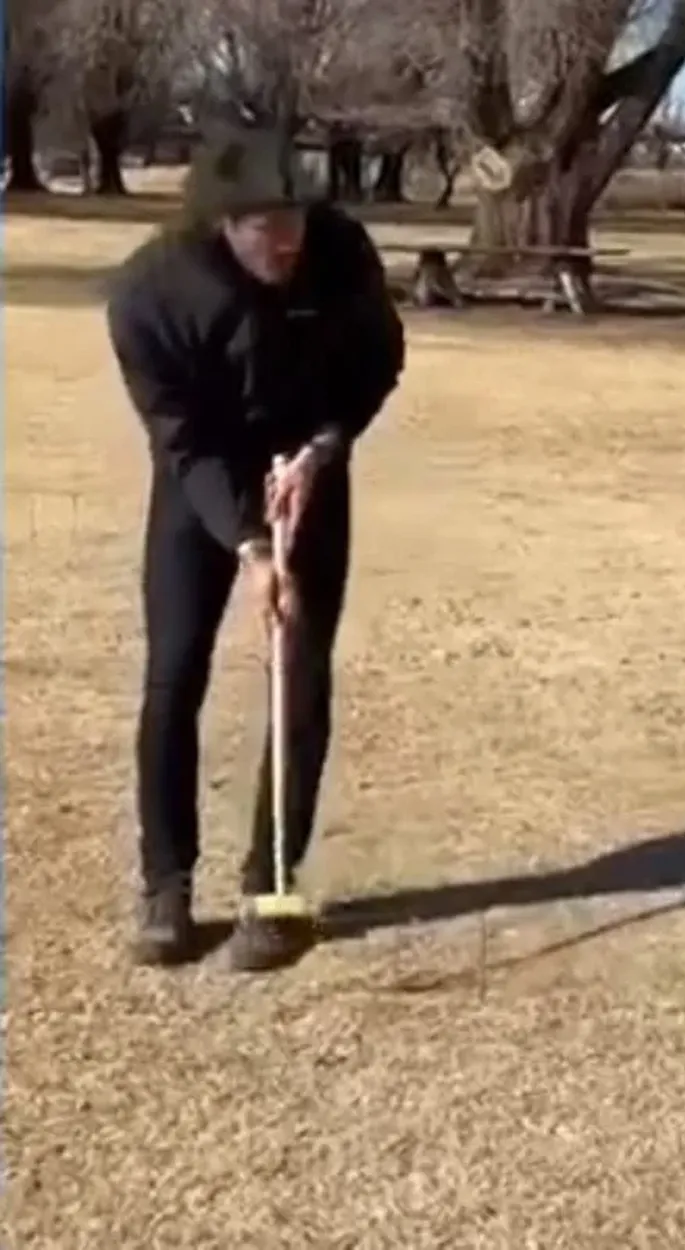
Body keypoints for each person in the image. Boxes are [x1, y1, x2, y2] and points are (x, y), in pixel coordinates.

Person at [106, 124, 405, 971]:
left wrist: (323, 449)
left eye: (295, 218)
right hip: (201, 480)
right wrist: (250, 545)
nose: (287, 241)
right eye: (265, 225)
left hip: (307, 466)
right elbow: (181, 439)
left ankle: (270, 884)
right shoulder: (150, 294)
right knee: (175, 672)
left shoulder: (340, 256)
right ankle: (166, 884)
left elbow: (378, 364)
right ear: (222, 224)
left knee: (300, 672)